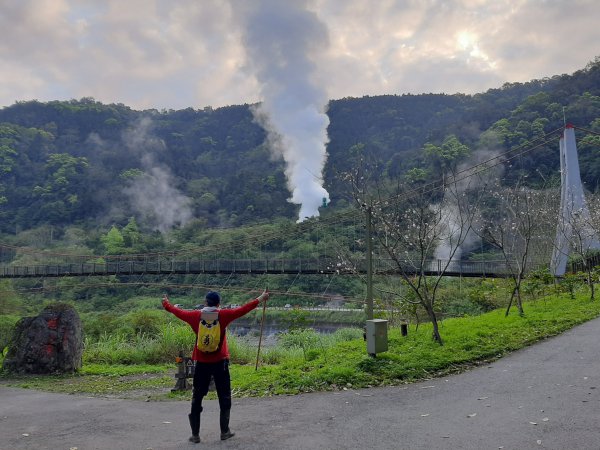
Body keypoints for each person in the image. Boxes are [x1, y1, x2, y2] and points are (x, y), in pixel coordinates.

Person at [162, 289, 269, 444]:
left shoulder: (195, 316)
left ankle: (195, 435)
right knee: (224, 396)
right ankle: (224, 432)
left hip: (202, 364)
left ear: (205, 302)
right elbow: (243, 309)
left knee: (197, 397)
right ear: (218, 304)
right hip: (220, 363)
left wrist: (166, 303)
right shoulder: (223, 315)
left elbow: (176, 311)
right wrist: (261, 298)